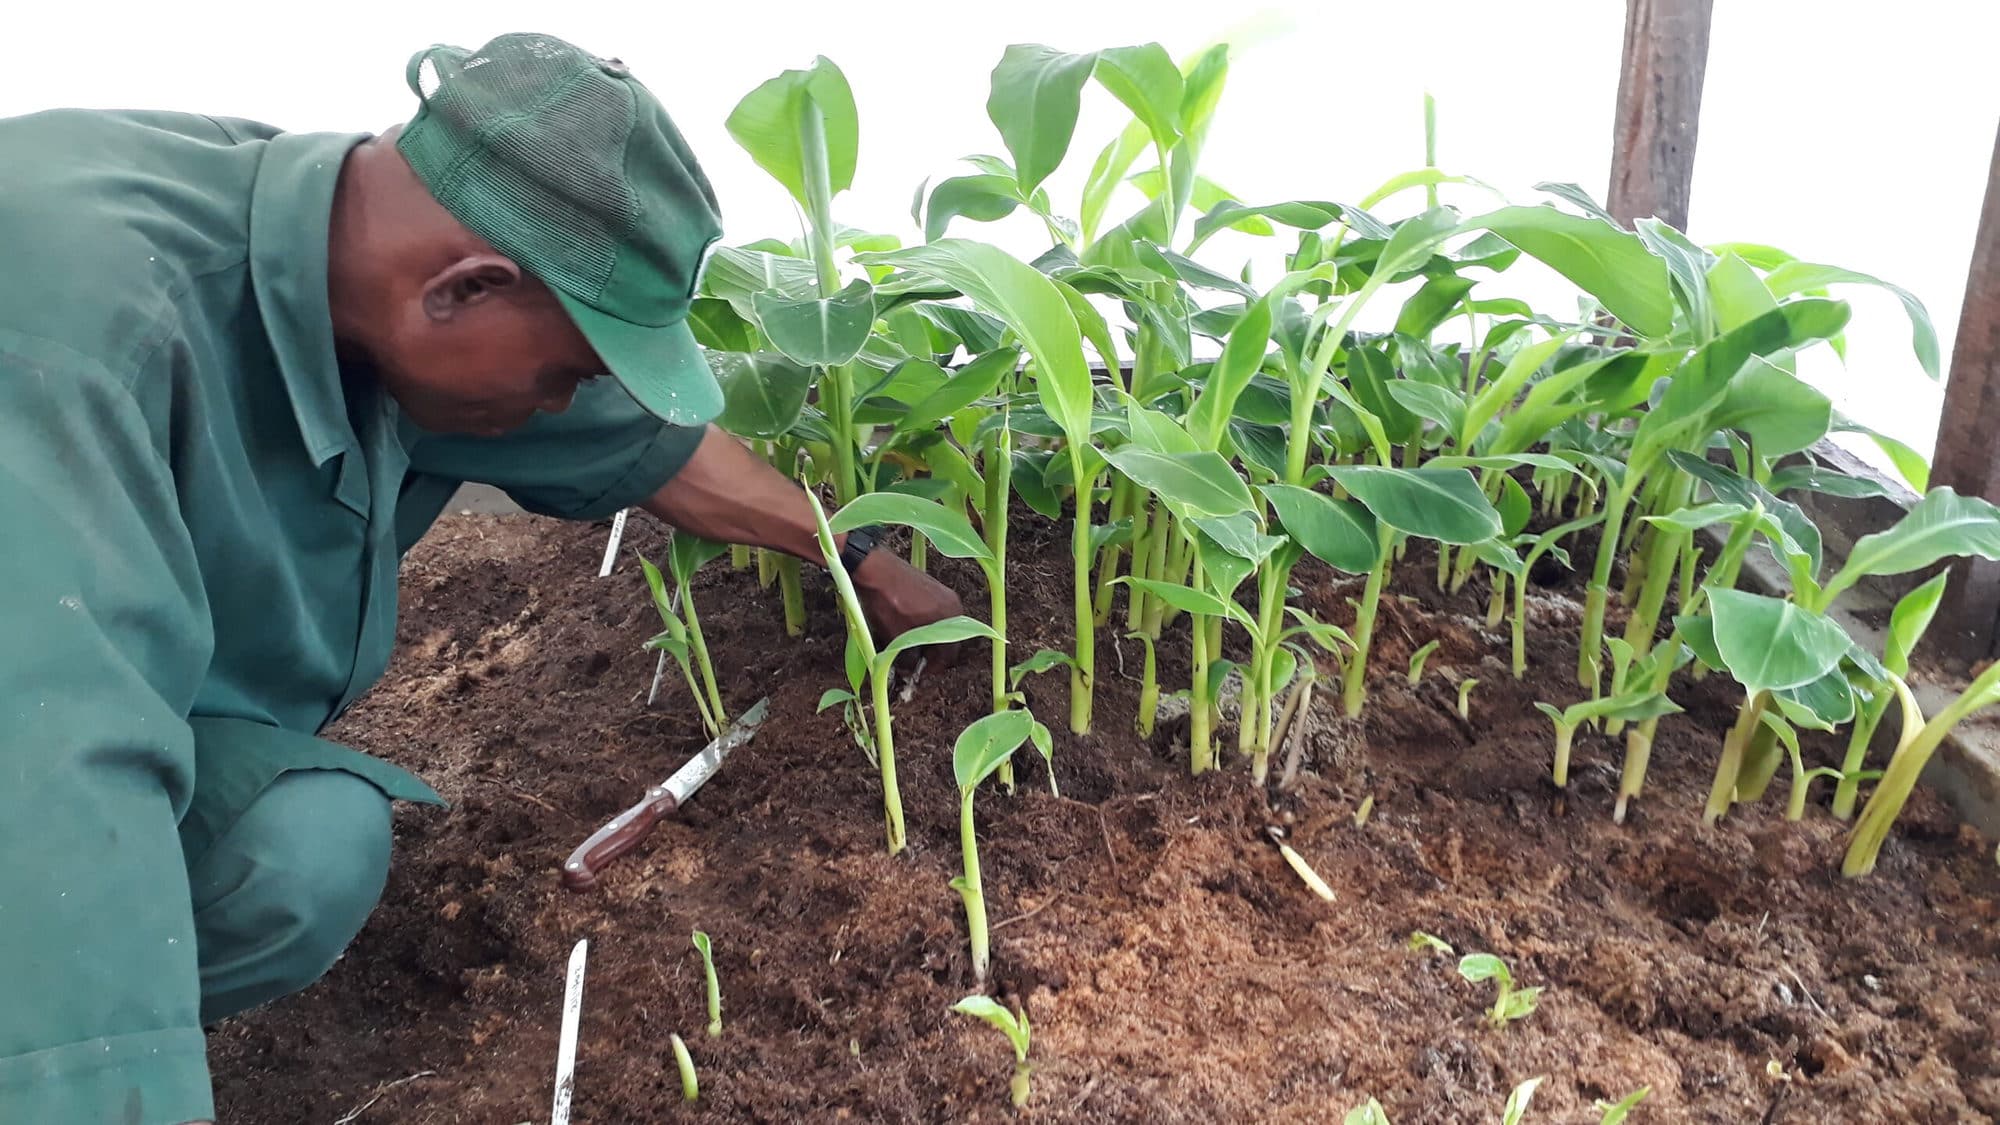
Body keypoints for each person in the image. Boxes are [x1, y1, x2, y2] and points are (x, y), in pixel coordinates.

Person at [0, 31, 963, 1124]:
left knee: (300, 854)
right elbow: (51, 772)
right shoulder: (68, 332)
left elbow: (647, 448)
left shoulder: (358, 250)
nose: (558, 405)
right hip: (31, 754)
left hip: (74, 718)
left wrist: (855, 561)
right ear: (467, 288)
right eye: (564, 371)